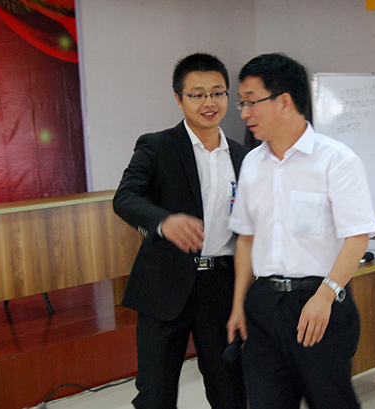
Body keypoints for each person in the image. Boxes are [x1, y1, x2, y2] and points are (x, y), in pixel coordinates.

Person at [226, 53, 375, 409]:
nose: (244, 113)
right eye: (242, 103)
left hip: (318, 301)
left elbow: (357, 237)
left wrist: (325, 297)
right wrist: (238, 306)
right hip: (264, 304)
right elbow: (246, 239)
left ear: (284, 101)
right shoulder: (252, 163)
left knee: (331, 401)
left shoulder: (336, 160)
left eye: (251, 101)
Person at [113, 53, 248, 409]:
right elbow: (125, 198)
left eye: (217, 93)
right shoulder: (157, 146)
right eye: (197, 94)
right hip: (165, 284)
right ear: (179, 99)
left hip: (222, 286)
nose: (209, 103)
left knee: (231, 392)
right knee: (155, 394)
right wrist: (163, 221)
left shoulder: (243, 157)